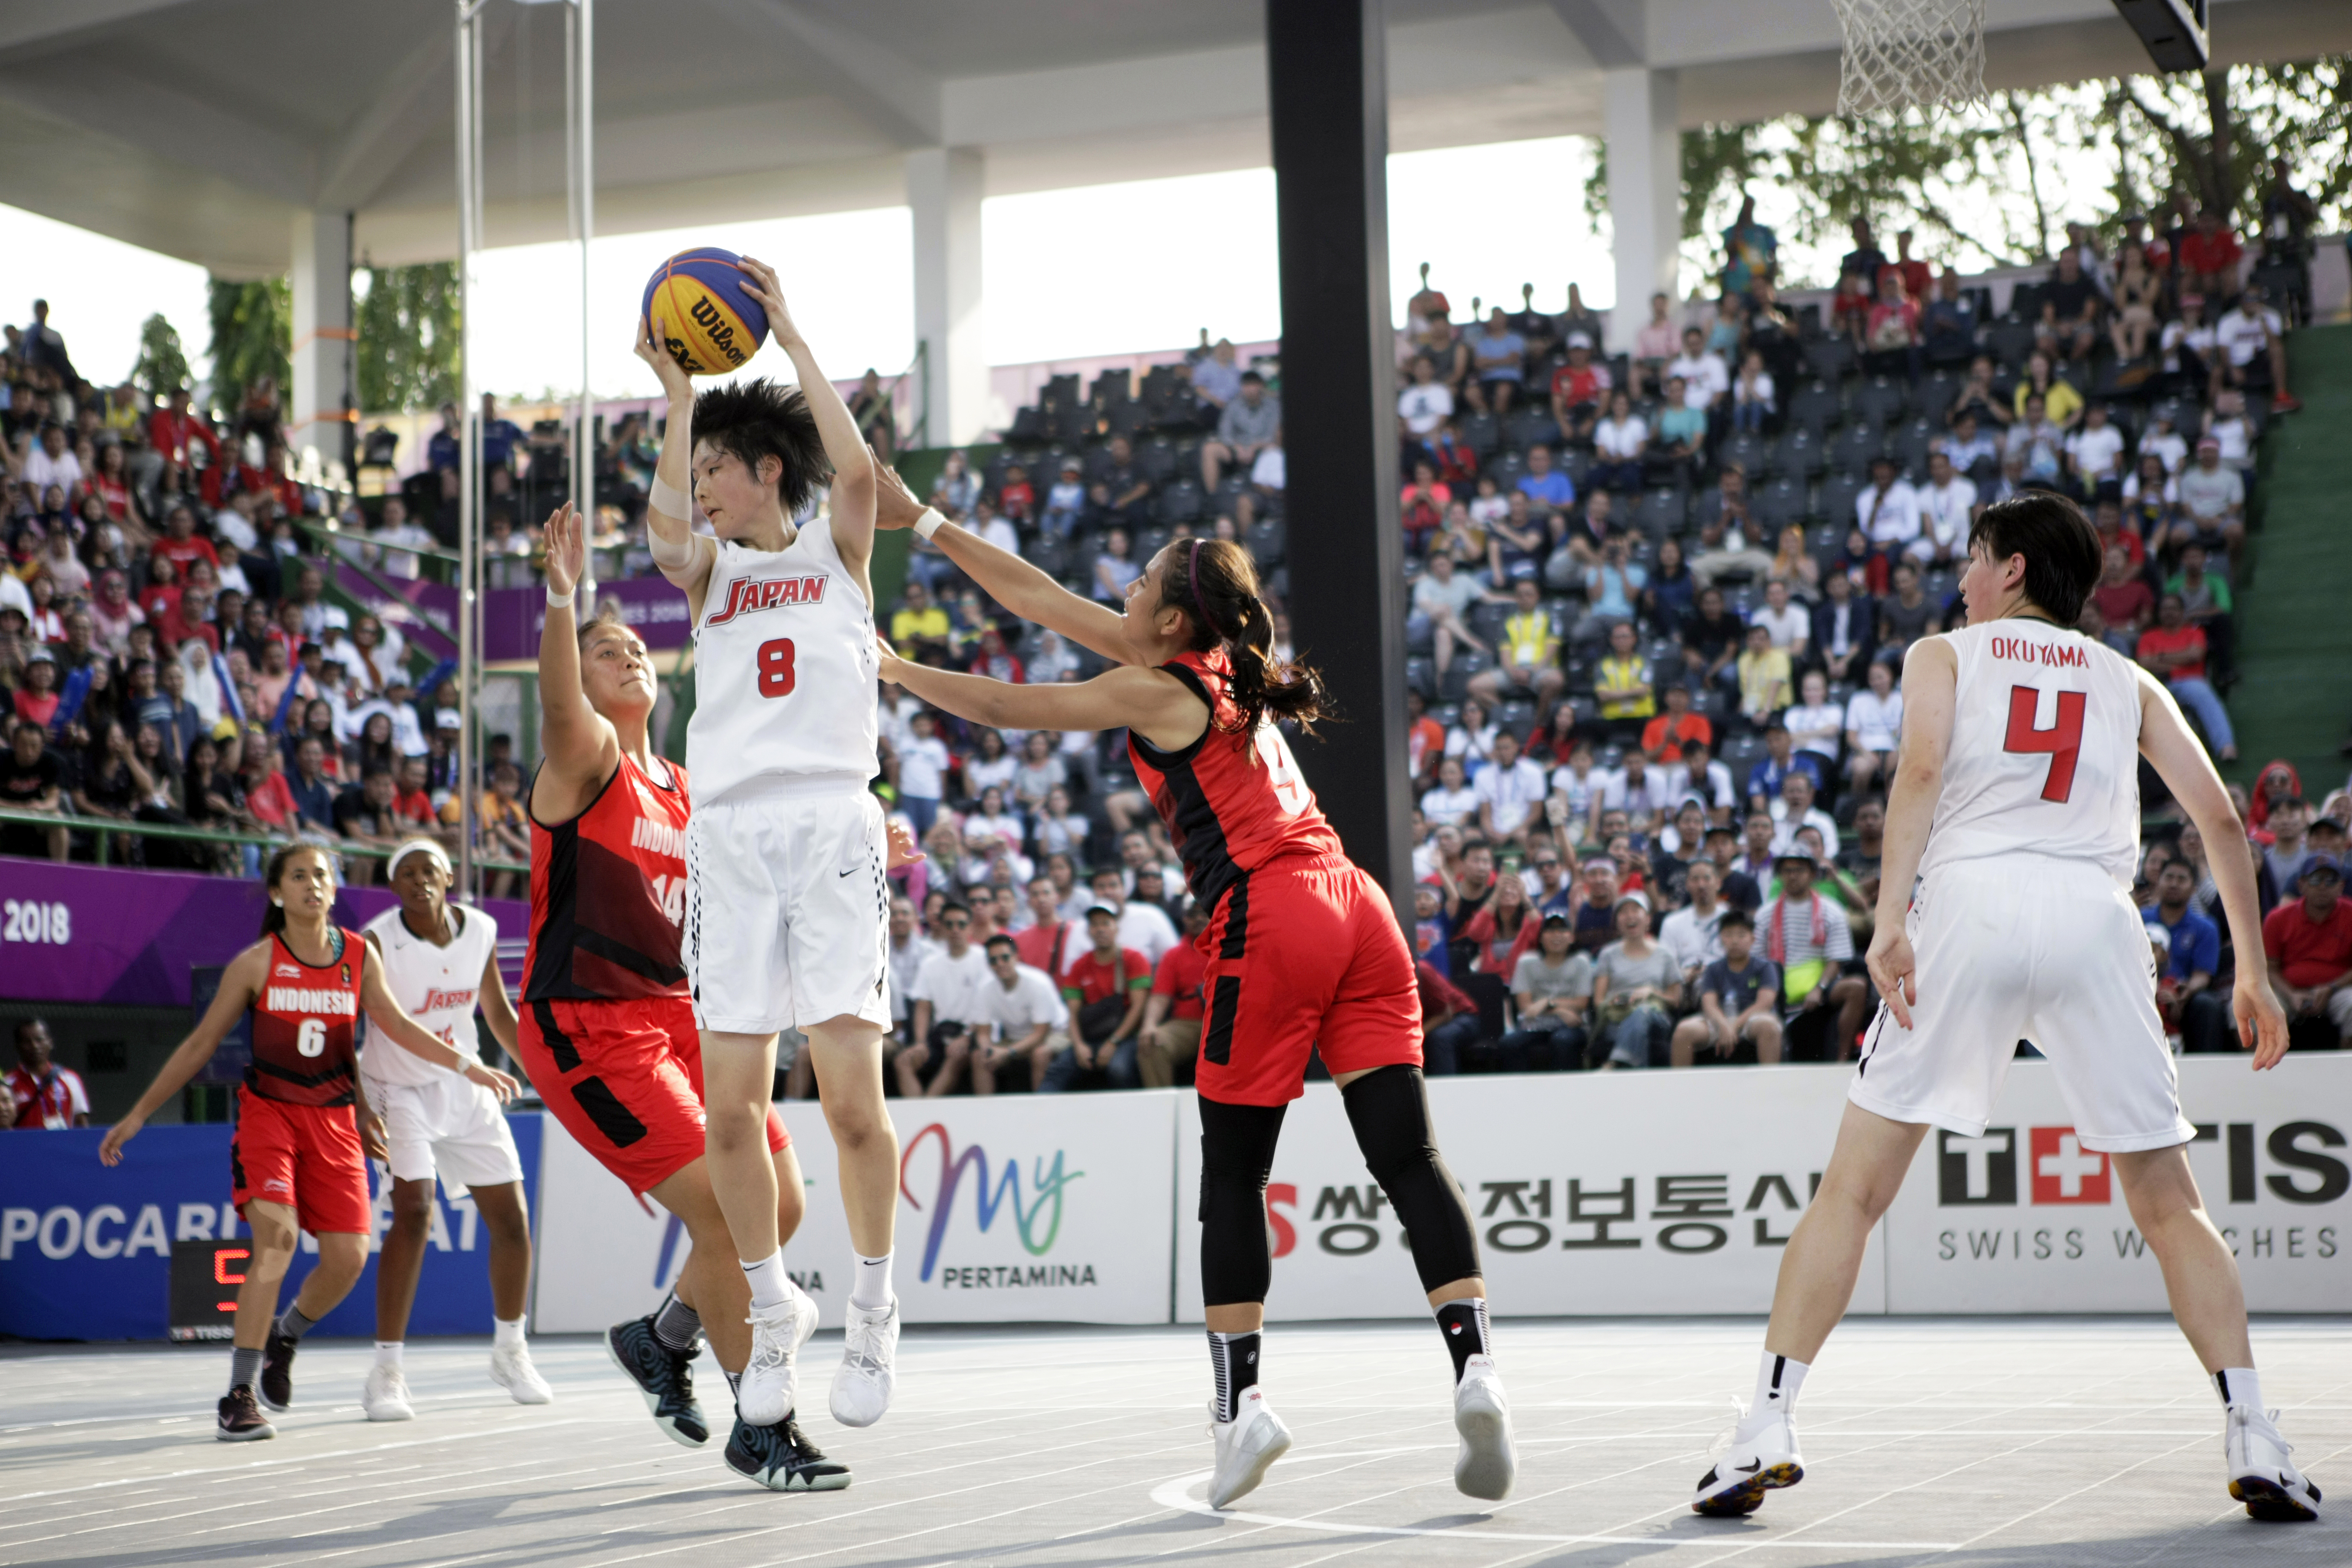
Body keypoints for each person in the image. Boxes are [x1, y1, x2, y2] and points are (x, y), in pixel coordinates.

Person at [869, 488, 1514, 1509]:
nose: (1117, 590)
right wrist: (930, 525)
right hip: (1360, 907)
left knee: (1231, 1175)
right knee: (1406, 1155)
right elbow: (1035, 596)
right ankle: (1476, 1369)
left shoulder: (1158, 688)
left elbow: (1004, 704)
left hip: (1275, 911)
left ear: (1169, 619)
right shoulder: (1216, 667)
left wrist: (894, 668)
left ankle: (1241, 1411)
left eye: (1136, 582)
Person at [1694, 492, 2320, 1524]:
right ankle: (2255, 1429)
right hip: (2093, 916)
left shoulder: (1943, 653)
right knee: (2170, 1204)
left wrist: (1888, 915)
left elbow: (1921, 772)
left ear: (2014, 570)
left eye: (1973, 560)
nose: (1960, 580)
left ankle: (1761, 1423)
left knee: (1849, 1192)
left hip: (1971, 908)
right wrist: (2251, 970)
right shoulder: (2126, 678)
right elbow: (2215, 814)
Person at [518, 506, 863, 1492]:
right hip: (589, 1022)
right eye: (603, 648)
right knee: (725, 1209)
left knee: (780, 1204)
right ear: (579, 677)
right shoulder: (585, 759)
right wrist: (559, 602)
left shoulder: (684, 783)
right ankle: (764, 1420)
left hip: (680, 1015)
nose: (625, 652)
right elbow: (552, 707)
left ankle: (660, 1333)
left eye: (633, 644)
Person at [634, 261, 906, 1448]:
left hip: (834, 827)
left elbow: (857, 471)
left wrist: (791, 331)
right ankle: (770, 1311)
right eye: (694, 472)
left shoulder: (838, 548)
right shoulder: (710, 574)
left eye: (712, 471)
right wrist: (674, 398)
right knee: (731, 1112)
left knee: (852, 1101)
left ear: (767, 474)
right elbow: (653, 538)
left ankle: (874, 1305)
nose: (698, 488)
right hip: (733, 839)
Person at [99, 843, 518, 1441]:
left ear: (333, 885)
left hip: (334, 1119)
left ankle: (284, 1333)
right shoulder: (256, 963)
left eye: (321, 874)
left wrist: (469, 1066)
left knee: (347, 1258)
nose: (312, 885)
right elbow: (198, 1046)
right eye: (298, 876)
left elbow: (398, 1026)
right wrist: (139, 1113)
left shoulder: (357, 954)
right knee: (278, 1239)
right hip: (271, 1114)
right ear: (277, 891)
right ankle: (239, 1393)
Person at [357, 838, 548, 1421]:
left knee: (512, 1221)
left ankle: (510, 1351)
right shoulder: (375, 939)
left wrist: (548, 1079)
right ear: (395, 887)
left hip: (471, 1085)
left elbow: (497, 1011)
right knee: (413, 1211)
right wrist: (361, 1102)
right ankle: (385, 1370)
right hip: (400, 1087)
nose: (420, 880)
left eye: (430, 871)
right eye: (407, 873)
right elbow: (362, 1022)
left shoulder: (482, 930)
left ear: (448, 877)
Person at [1670, 909, 1783, 1066]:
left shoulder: (1765, 967)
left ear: (1753, 939)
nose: (1735, 941)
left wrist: (1734, 1026)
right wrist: (1724, 1025)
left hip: (1752, 1019)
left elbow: (1764, 1004)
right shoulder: (1713, 969)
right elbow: (1709, 1004)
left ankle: (1771, 1085)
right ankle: (1680, 1087)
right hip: (1719, 1020)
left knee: (1769, 1027)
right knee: (1684, 1031)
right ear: (1721, 939)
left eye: (1741, 935)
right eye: (1728, 935)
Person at [2261, 857, 2352, 1044]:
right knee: (2260, 1010)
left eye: (2331, 880)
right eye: (2315, 879)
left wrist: (2332, 987)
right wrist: (2291, 994)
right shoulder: (2278, 919)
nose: (2323, 886)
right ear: (2301, 885)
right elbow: (2270, 969)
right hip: (2287, 990)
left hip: (2340, 988)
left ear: (2341, 886)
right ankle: (2263, 1071)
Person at [6, 1019, 88, 1128]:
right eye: (27, 1042)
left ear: (50, 1042)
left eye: (39, 1040)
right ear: (18, 1047)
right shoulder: (8, 1083)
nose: (35, 1046)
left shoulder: (71, 1079)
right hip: (24, 1145)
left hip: (63, 1144)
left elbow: (81, 1123)